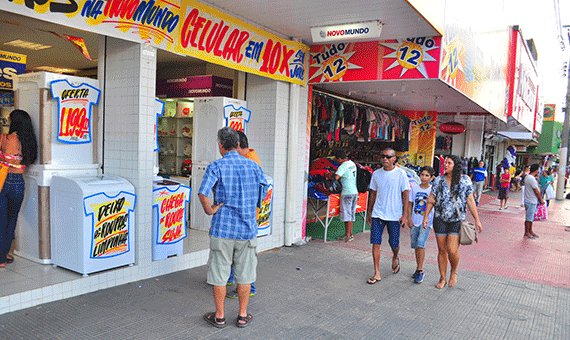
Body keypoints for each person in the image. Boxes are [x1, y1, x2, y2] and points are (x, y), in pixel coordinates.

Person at [198, 127, 268, 328]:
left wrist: (210, 210)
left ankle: (219, 316)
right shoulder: (253, 166)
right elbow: (264, 190)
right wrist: (252, 203)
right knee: (245, 275)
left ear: (221, 145)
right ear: (237, 145)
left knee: (219, 274)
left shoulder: (216, 166)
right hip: (247, 229)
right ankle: (242, 315)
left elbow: (203, 193)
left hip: (223, 230)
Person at [423, 155, 483, 289]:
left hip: (457, 220)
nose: (446, 165)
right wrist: (426, 217)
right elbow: (431, 199)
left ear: (456, 165)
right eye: (446, 163)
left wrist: (477, 220)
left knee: (452, 250)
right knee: (442, 250)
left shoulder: (465, 180)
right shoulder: (438, 180)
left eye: (449, 163)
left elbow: (471, 201)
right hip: (440, 218)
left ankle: (454, 271)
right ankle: (442, 277)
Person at [365, 148, 410, 284]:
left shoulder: (401, 174)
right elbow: (373, 193)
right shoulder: (376, 174)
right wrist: (369, 212)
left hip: (394, 215)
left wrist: (405, 215)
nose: (385, 159)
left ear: (394, 158)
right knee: (375, 243)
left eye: (388, 157)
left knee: (394, 243)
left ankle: (395, 256)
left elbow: (406, 194)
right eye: (383, 156)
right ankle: (377, 272)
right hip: (378, 214)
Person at [226, 130, 261, 299]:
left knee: (244, 255)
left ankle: (250, 287)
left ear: (238, 146)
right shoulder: (249, 158)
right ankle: (230, 278)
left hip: (246, 216)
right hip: (244, 214)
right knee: (236, 251)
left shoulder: (249, 162)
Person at [0, 110, 38, 267]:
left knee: (1, 221)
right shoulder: (29, 142)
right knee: (12, 220)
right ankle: (3, 257)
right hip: (18, 184)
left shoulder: (5, 138)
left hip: (3, 181)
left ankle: (1, 257)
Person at [407, 166, 435, 284]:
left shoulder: (432, 190)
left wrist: (428, 219)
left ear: (432, 177)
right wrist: (408, 218)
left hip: (426, 221)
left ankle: (420, 270)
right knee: (415, 245)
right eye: (422, 175)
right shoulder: (414, 188)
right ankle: (418, 267)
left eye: (427, 175)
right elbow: (410, 203)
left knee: (420, 243)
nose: (424, 177)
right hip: (415, 220)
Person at [333, 150, 358, 242]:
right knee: (351, 214)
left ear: (340, 159)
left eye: (336, 159)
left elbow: (335, 178)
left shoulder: (342, 166)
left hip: (347, 193)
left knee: (347, 215)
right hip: (354, 192)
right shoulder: (352, 163)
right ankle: (350, 234)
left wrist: (328, 175)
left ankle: (347, 235)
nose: (336, 161)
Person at [523, 164, 545, 239]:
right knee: (529, 218)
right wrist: (541, 199)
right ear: (536, 170)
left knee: (531, 217)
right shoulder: (531, 179)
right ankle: (527, 232)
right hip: (531, 200)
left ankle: (530, 231)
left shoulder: (528, 177)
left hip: (530, 200)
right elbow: (536, 191)